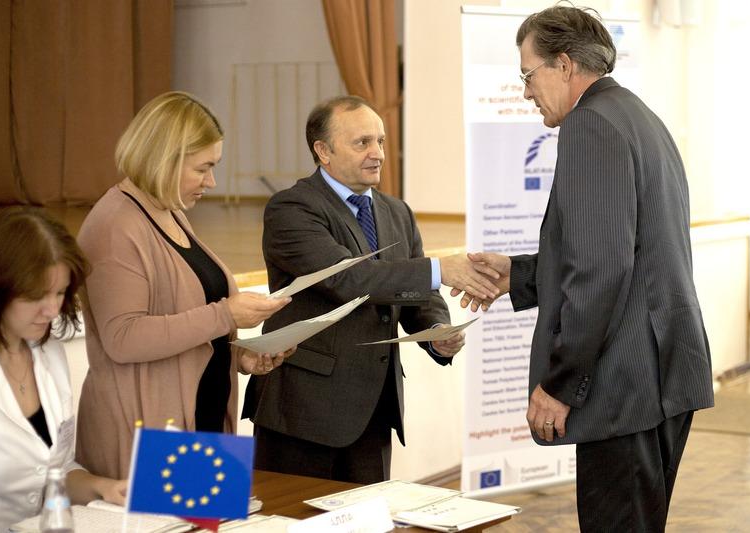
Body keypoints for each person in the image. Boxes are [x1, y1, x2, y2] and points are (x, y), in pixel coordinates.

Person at [460, 6, 714, 532]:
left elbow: (602, 271)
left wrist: (560, 383)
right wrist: (521, 276)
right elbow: (628, 252)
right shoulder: (636, 115)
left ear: (564, 64)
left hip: (625, 384)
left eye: (528, 75)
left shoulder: (589, 125)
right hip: (661, 371)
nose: (526, 92)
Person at [243, 95, 500, 483]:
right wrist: (439, 270)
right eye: (362, 142)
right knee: (294, 514)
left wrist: (435, 332)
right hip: (304, 412)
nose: (378, 153)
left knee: (369, 512)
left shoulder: (397, 212)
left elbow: (417, 294)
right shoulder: (292, 208)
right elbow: (346, 279)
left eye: (380, 140)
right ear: (323, 151)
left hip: (375, 410)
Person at [75, 91, 294, 480]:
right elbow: (123, 338)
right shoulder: (115, 226)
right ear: (164, 159)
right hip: (150, 429)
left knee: (218, 515)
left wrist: (239, 355)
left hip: (201, 417)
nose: (211, 181)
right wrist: (225, 314)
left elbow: (186, 320)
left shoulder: (169, 212)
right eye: (202, 168)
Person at [0, 209, 127, 532]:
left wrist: (103, 487)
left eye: (59, 293)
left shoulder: (49, 353)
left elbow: (54, 471)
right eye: (36, 296)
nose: (52, 310)